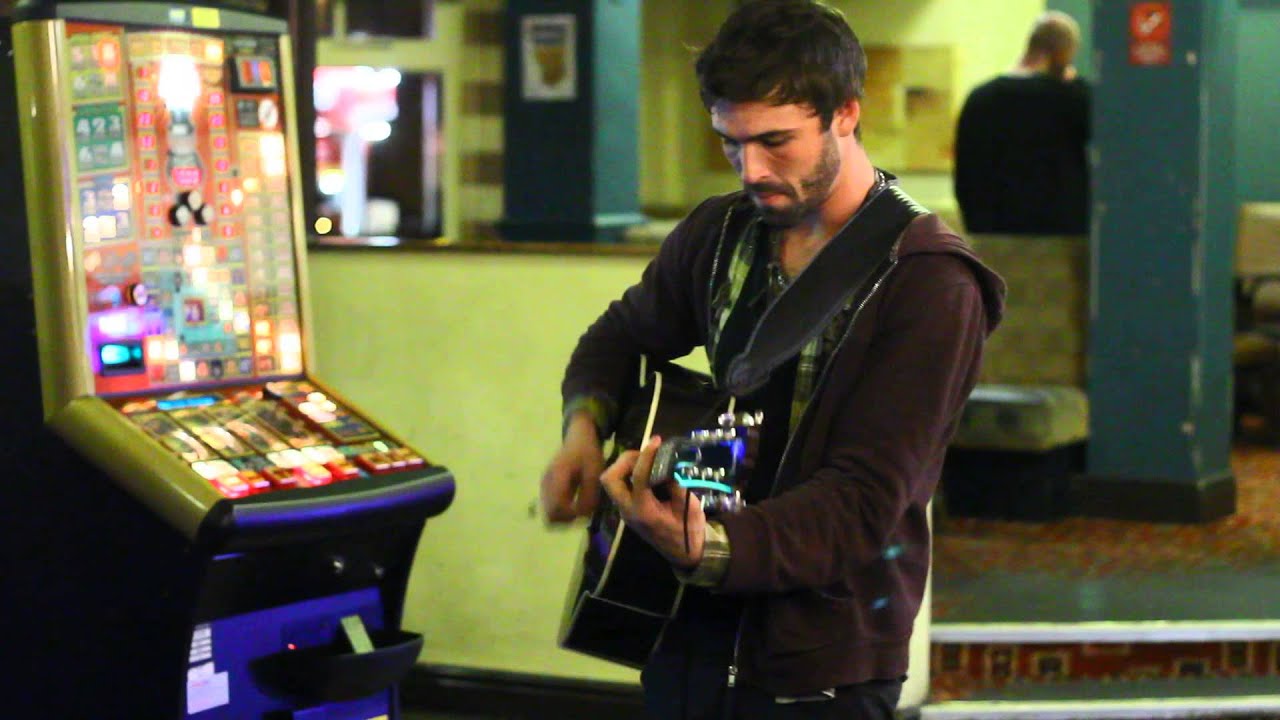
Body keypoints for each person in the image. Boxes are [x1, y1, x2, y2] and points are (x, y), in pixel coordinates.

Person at [540, 1, 1005, 718]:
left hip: (820, 659)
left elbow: (861, 506)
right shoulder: (721, 231)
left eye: (776, 142)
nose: (750, 169)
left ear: (846, 114)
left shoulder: (932, 283)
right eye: (731, 142)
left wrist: (704, 545)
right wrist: (582, 429)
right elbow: (616, 338)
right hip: (684, 626)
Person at [953, 11, 1090, 235]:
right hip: (1064, 237)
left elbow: (965, 177)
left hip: (994, 237)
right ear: (1064, 54)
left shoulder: (981, 98)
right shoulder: (1077, 99)